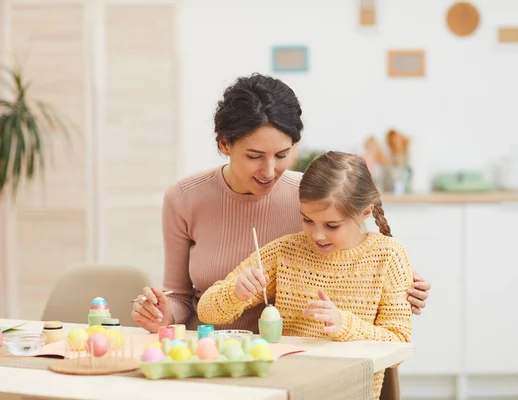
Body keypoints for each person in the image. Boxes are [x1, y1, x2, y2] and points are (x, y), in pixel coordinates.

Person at [130, 73, 430, 334]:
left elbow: (360, 264)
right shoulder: (183, 198)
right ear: (224, 145)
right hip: (210, 348)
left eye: (282, 155)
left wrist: (400, 292)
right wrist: (162, 313)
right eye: (254, 156)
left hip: (287, 354)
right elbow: (181, 298)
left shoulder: (314, 198)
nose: (269, 171)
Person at [198, 151, 412, 400]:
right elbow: (207, 310)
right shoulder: (286, 251)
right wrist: (235, 292)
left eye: (332, 226)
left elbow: (399, 344)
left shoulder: (388, 256)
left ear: (365, 212)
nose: (317, 235)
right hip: (287, 389)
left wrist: (345, 325)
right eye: (307, 220)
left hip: (350, 392)